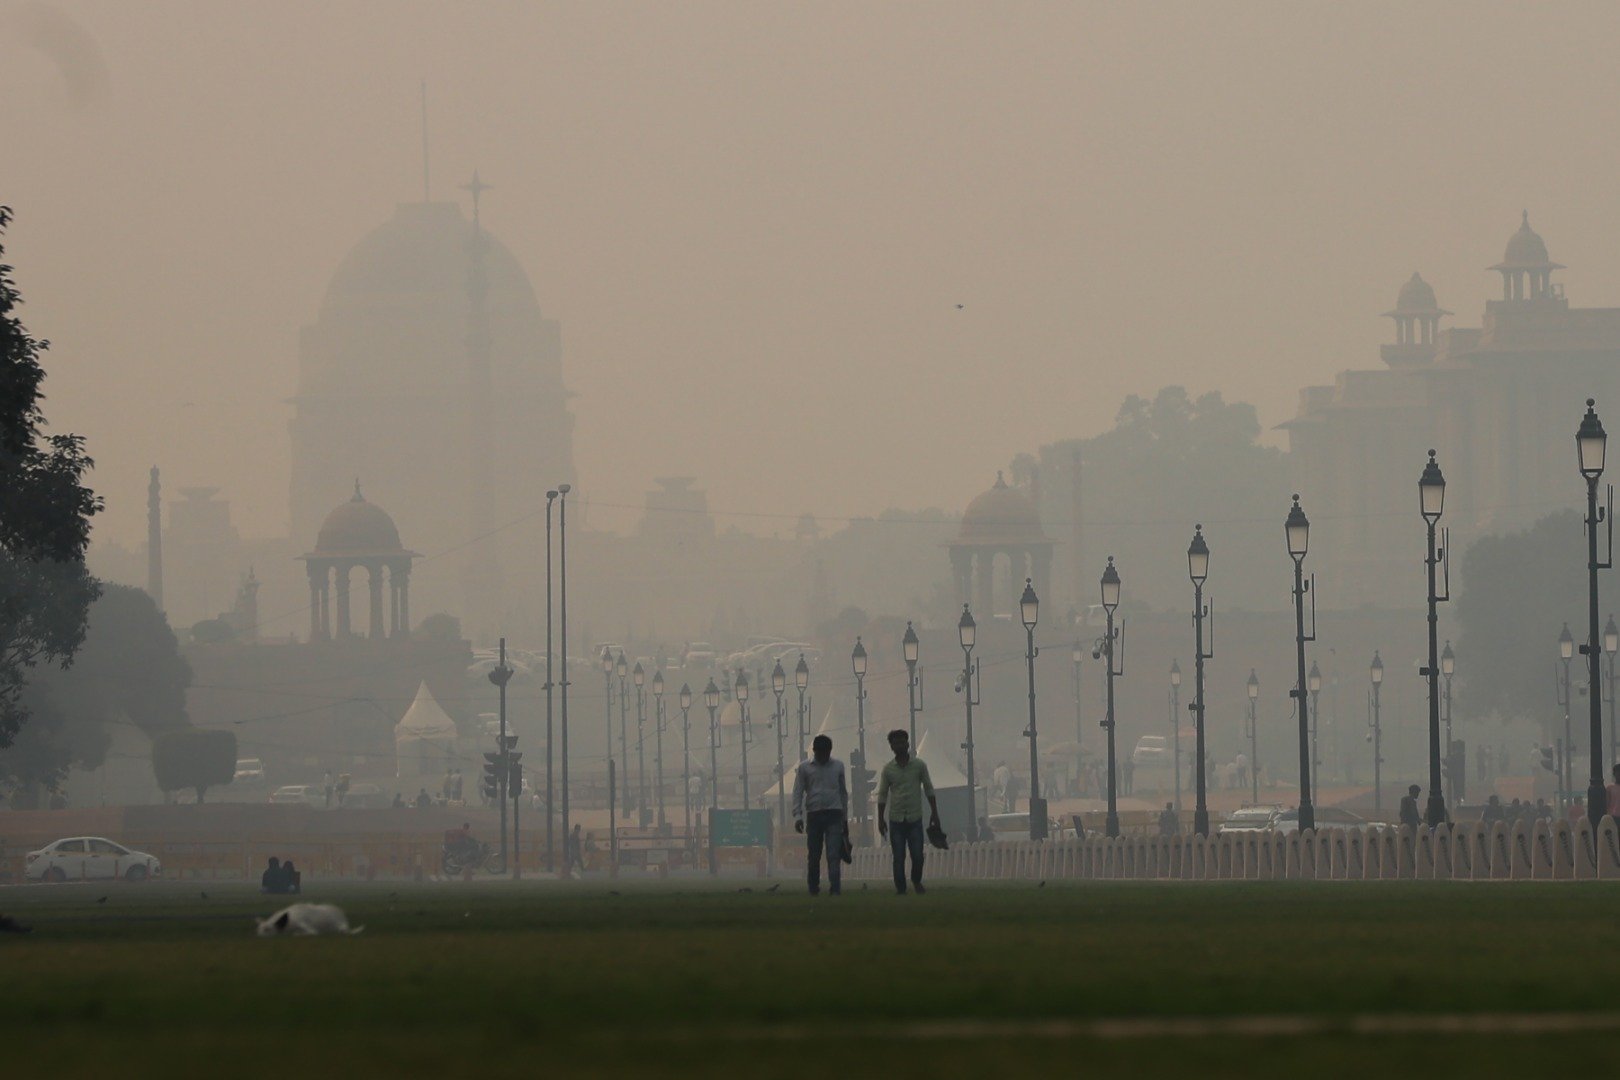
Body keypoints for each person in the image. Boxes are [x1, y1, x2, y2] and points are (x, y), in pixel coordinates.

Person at [876, 729, 939, 895]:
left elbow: (929, 788)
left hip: (914, 818)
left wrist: (934, 812)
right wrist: (880, 819)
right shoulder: (888, 769)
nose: (899, 745)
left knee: (918, 855)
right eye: (895, 743)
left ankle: (916, 880)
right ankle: (901, 888)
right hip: (896, 818)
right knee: (899, 856)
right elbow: (882, 794)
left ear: (907, 743)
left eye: (901, 742)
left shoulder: (919, 766)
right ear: (891, 747)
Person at [792, 734, 849, 896]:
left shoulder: (838, 766)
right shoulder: (805, 768)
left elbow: (843, 793)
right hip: (814, 814)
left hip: (834, 814)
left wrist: (844, 818)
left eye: (825, 753)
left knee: (833, 853)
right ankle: (813, 887)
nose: (823, 756)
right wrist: (797, 815)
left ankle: (835, 888)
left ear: (829, 751)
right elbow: (798, 792)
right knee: (814, 854)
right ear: (814, 751)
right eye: (820, 753)